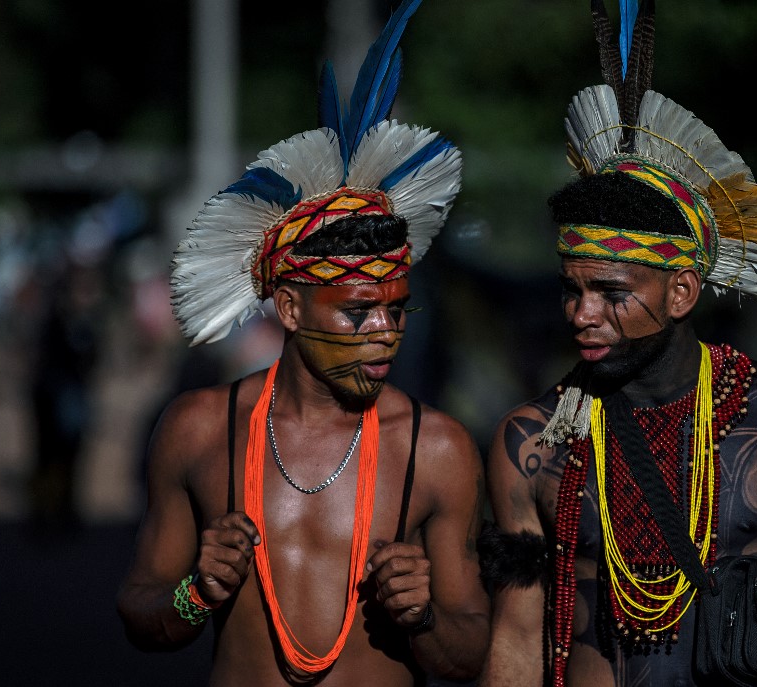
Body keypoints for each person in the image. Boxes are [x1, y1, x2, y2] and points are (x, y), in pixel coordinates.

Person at [478, 1, 757, 685]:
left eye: (612, 293)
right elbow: (517, 637)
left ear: (681, 292)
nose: (582, 313)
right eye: (571, 288)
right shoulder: (531, 444)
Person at [116, 1, 490, 684]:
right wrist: (193, 591)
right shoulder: (199, 430)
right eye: (357, 313)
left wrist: (425, 615)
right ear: (288, 306)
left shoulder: (438, 450)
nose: (386, 334)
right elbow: (140, 608)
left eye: (397, 311)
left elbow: (470, 650)